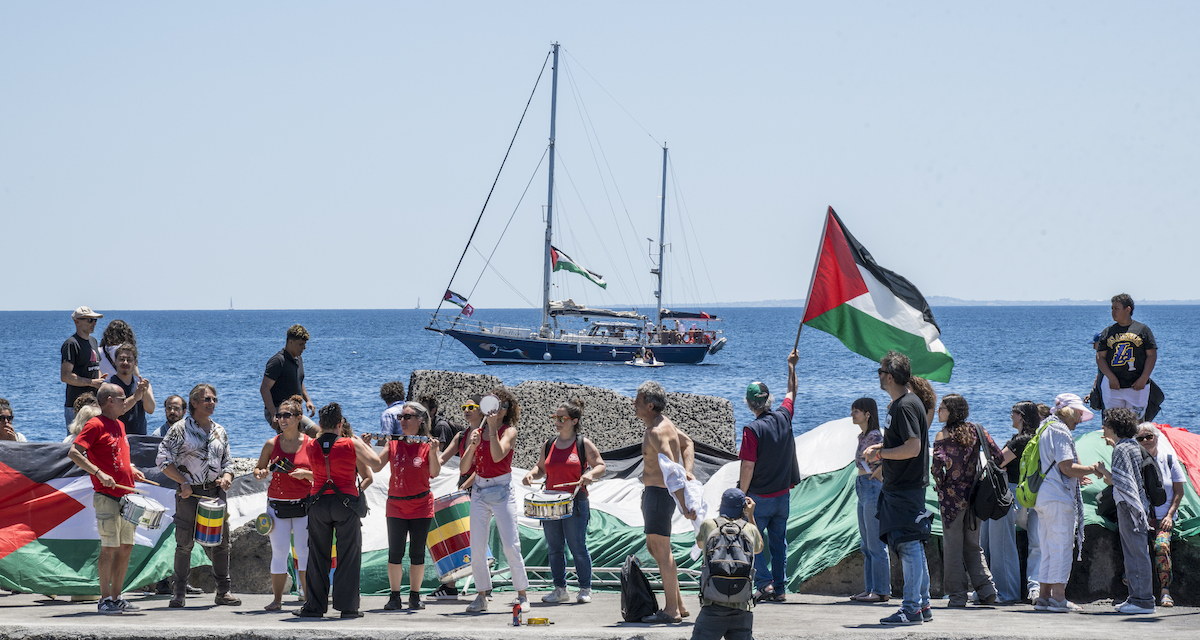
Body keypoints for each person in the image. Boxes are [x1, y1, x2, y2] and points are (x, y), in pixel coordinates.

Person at [292, 403, 383, 619]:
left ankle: (314, 606)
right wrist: (362, 443)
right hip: (346, 504)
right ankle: (348, 607)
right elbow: (377, 464)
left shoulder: (311, 445)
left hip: (319, 503)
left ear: (321, 424)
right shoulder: (350, 443)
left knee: (317, 556)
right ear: (340, 423)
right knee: (348, 556)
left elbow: (317, 473)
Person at [155, 383, 241, 608]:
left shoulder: (219, 430)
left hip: (215, 493)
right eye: (207, 399)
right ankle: (179, 593)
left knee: (222, 543)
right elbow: (162, 459)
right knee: (184, 544)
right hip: (190, 495)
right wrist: (182, 481)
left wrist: (228, 477)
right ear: (193, 403)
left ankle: (223, 591)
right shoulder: (179, 429)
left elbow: (228, 462)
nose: (212, 403)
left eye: (214, 399)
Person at [863, 351, 932, 625]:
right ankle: (923, 605)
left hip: (905, 487)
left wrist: (881, 456)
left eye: (880, 372)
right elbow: (905, 442)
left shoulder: (904, 406)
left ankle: (912, 607)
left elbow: (913, 447)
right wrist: (881, 447)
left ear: (889, 377)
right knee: (912, 543)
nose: (878, 377)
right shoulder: (905, 403)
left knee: (909, 544)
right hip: (905, 486)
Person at [67, 382, 147, 614]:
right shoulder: (95, 424)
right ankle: (104, 600)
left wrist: (130, 469)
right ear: (110, 400)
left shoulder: (119, 425)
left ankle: (117, 596)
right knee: (109, 547)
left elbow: (115, 455)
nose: (126, 403)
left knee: (126, 546)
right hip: (107, 496)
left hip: (128, 496)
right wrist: (98, 473)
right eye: (122, 399)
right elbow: (74, 452)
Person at [522, 398, 607, 604]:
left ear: (574, 421)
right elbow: (541, 468)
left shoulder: (582, 443)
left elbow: (601, 466)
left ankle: (585, 588)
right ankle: (560, 589)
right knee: (554, 547)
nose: (557, 421)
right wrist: (531, 474)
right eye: (556, 417)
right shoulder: (550, 443)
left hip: (575, 500)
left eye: (562, 418)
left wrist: (589, 475)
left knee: (577, 545)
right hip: (550, 501)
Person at [362, 401, 441, 611]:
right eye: (401, 417)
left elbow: (434, 472)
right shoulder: (393, 443)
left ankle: (414, 596)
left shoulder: (427, 444)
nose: (403, 421)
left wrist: (433, 452)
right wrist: (367, 447)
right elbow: (377, 466)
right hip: (396, 505)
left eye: (407, 417)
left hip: (421, 505)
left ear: (420, 420)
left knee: (417, 553)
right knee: (395, 553)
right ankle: (394, 596)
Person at [737, 349, 800, 603]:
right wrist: (791, 366)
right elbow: (792, 392)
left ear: (749, 403)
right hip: (782, 495)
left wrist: (741, 494)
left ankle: (764, 585)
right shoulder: (784, 416)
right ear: (768, 399)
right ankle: (781, 587)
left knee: (750, 541)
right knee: (778, 544)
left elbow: (747, 466)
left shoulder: (752, 430)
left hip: (758, 498)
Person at [461, 387, 531, 613]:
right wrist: (472, 446)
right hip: (481, 488)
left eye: (499, 405)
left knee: (510, 543)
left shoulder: (509, 431)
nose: (494, 409)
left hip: (502, 487)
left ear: (505, 410)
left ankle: (522, 593)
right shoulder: (478, 432)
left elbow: (498, 455)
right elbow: (463, 468)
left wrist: (491, 431)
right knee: (477, 545)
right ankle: (481, 594)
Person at [1031, 393, 1101, 613]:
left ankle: (1043, 597)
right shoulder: (1059, 431)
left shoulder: (1044, 427)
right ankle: (1059, 598)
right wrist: (1092, 468)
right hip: (1058, 497)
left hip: (1043, 496)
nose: (1080, 420)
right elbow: (1066, 467)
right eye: (1079, 414)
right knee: (1061, 548)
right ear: (1069, 412)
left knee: (1047, 548)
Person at [930, 393, 1000, 607]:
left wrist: (942, 486)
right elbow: (997, 455)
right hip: (975, 496)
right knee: (972, 545)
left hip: (951, 502)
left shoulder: (942, 436)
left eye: (941, 408)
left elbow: (937, 469)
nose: (938, 411)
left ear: (951, 411)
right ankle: (987, 590)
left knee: (952, 547)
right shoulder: (977, 430)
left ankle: (958, 596)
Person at [635, 380, 695, 624]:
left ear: (650, 405)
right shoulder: (663, 423)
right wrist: (689, 471)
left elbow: (671, 471)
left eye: (637, 401)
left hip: (660, 495)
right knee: (655, 548)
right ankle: (679, 603)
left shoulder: (658, 432)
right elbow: (688, 442)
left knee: (662, 550)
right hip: (656, 494)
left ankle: (671, 611)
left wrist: (684, 503)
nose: (633, 405)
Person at [252, 395, 312, 611]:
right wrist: (261, 473)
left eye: (287, 415)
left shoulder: (311, 445)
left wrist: (306, 474)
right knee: (279, 552)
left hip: (304, 504)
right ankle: (277, 600)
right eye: (279, 415)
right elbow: (258, 469)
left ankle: (308, 600)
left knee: (303, 553)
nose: (282, 419)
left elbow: (321, 476)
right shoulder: (271, 444)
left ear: (299, 418)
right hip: (277, 504)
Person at [1094, 408, 1155, 614]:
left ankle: (1143, 601)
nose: (1103, 427)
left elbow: (1119, 481)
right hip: (1138, 506)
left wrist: (1102, 471)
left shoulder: (1121, 448)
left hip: (1130, 507)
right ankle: (1136, 597)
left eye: (1106, 424)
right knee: (1136, 553)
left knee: (1135, 554)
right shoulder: (1131, 445)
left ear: (1114, 426)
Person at [425, 394, 484, 602]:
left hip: (480, 489)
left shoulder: (485, 435)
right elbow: (441, 460)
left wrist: (467, 485)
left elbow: (486, 466)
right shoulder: (461, 435)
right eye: (464, 406)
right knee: (461, 536)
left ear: (482, 410)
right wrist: (430, 457)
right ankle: (450, 586)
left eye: (471, 406)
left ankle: (484, 586)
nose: (466, 410)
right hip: (464, 488)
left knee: (477, 537)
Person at [982, 401, 1039, 604]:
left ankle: (1006, 592)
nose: (1010, 416)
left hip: (1010, 493)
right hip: (1021, 493)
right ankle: (994, 589)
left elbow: (997, 462)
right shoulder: (1032, 439)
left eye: (1013, 413)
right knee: (995, 543)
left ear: (1021, 416)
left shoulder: (1019, 441)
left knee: (1002, 545)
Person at [690, 488, 763, 640]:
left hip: (713, 606)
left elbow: (699, 544)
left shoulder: (708, 525)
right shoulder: (749, 528)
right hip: (742, 605)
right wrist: (750, 515)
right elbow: (759, 548)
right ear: (744, 506)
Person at [1133, 424, 1185, 607]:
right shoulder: (1135, 462)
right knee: (1135, 548)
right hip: (1143, 518)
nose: (1145, 441)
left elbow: (1179, 492)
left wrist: (1170, 515)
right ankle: (1135, 591)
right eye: (1140, 438)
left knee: (1162, 546)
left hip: (1164, 517)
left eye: (1149, 436)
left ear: (1156, 437)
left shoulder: (1169, 460)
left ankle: (1165, 591)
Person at [849, 397, 889, 603]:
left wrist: (880, 471)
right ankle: (870, 588)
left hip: (872, 487)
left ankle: (881, 590)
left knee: (875, 543)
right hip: (863, 486)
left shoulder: (875, 436)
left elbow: (887, 455)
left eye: (856, 411)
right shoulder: (863, 436)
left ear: (868, 414)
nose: (852, 414)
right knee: (866, 544)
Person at [1095, 294, 1157, 419]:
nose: (1113, 312)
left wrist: (1144, 378)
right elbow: (1100, 357)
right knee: (1113, 422)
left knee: (1136, 423)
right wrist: (1110, 377)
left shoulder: (1143, 330)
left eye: (1116, 308)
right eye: (1112, 308)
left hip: (1137, 386)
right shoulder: (1107, 332)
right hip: (1113, 387)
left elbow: (1151, 355)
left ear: (1127, 309)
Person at [260, 325, 317, 434]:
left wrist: (308, 400)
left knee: (316, 433)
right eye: (301, 344)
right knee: (294, 441)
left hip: (294, 410)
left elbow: (298, 380)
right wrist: (274, 414)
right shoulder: (278, 361)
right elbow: (264, 389)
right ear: (290, 342)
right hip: (279, 411)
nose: (304, 348)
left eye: (305, 344)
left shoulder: (298, 359)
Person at [61, 306, 105, 426]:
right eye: (89, 320)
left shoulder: (93, 341)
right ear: (77, 321)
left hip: (94, 405)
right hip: (76, 407)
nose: (94, 323)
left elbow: (96, 367)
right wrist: (91, 382)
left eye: (95, 320)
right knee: (76, 439)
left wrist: (100, 380)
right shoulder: (71, 344)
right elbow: (66, 376)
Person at [106, 343, 154, 436]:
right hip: (116, 437)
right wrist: (135, 397)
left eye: (129, 360)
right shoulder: (108, 385)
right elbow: (115, 412)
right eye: (122, 359)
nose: (125, 362)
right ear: (115, 361)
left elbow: (150, 410)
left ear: (135, 362)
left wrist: (145, 392)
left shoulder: (141, 384)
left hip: (140, 438)